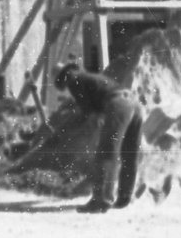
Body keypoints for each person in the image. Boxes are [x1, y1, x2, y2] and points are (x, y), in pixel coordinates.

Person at [54, 59, 142, 213]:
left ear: (63, 77)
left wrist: (66, 131)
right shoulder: (88, 78)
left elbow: (88, 113)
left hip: (118, 104)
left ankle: (101, 200)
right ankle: (124, 197)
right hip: (134, 103)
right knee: (129, 152)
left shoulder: (74, 80)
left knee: (107, 151)